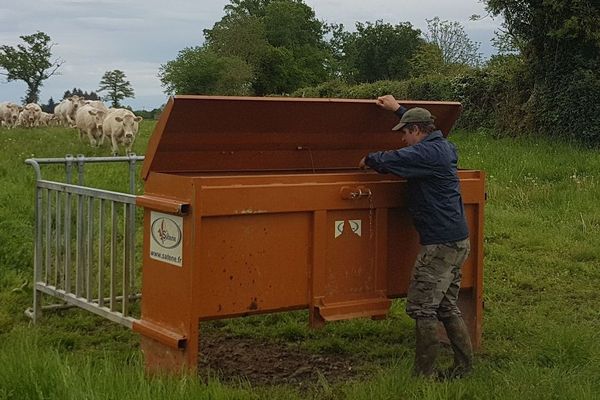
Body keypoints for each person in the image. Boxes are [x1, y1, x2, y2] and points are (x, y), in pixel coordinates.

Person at [358, 94, 473, 379]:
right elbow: (416, 140)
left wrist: (369, 159)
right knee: (446, 306)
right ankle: (463, 368)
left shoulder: (426, 153)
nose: (403, 140)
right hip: (456, 241)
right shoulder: (443, 147)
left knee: (422, 307)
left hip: (440, 245)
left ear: (417, 132)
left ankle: (423, 375)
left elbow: (396, 159)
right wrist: (399, 110)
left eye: (405, 134)